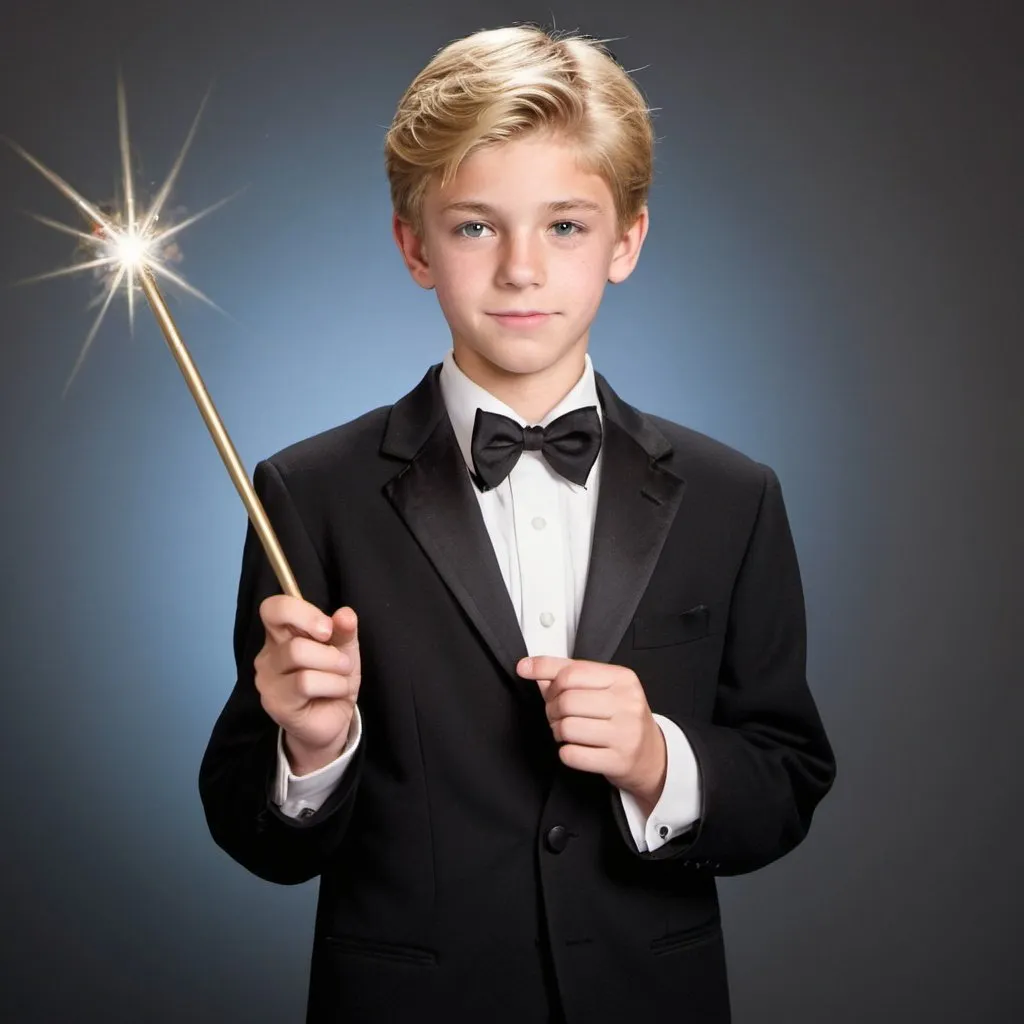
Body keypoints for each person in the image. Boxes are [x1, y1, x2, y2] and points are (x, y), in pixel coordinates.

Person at [199, 23, 836, 1024]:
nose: (521, 271)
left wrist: (656, 758)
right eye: (475, 227)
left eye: (566, 225)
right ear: (414, 245)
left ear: (627, 239)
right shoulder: (306, 492)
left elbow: (788, 778)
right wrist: (313, 748)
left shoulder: (733, 495)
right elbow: (258, 837)